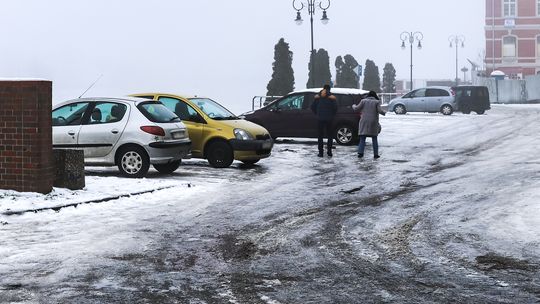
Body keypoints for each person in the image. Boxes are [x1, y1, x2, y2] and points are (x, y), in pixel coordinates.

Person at [352, 90, 386, 159]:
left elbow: (356, 108)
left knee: (362, 138)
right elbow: (380, 111)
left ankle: (360, 153)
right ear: (374, 96)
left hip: (364, 121)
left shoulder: (363, 101)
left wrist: (353, 105)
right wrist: (384, 112)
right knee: (374, 138)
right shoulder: (377, 102)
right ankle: (375, 154)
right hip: (373, 122)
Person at [311, 84, 338, 157]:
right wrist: (332, 115)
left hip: (320, 119)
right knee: (330, 136)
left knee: (320, 136)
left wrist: (317, 114)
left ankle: (321, 152)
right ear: (329, 89)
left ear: (323, 89)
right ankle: (329, 152)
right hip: (329, 119)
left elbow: (312, 107)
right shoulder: (332, 98)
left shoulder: (318, 98)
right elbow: (335, 108)